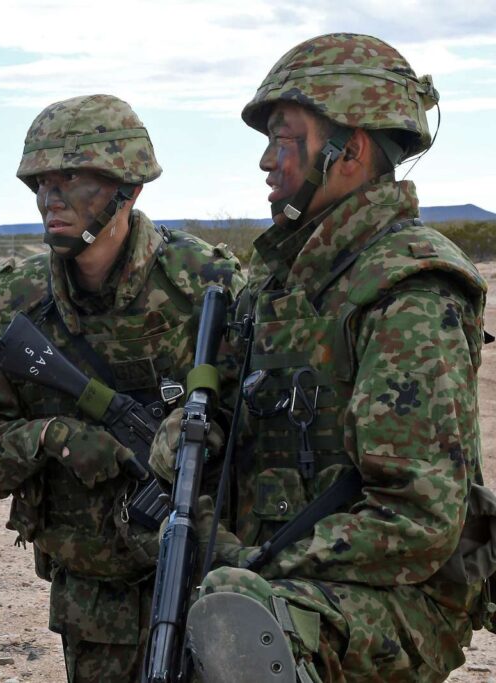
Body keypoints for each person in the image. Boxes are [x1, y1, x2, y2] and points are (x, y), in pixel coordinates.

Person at [151, 33, 489, 682]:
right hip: (280, 570)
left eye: (285, 138)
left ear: (350, 150)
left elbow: (416, 521)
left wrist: (255, 564)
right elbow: (223, 406)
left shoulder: (407, 286)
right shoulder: (277, 282)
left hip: (392, 597)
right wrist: (188, 433)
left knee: (242, 624)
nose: (267, 162)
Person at [0, 94, 243, 682]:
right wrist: (55, 437)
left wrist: (195, 436)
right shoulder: (20, 299)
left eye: (71, 178)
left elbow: (261, 435)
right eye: (40, 182)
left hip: (205, 567)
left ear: (126, 189)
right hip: (94, 592)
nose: (49, 198)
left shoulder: (205, 283)